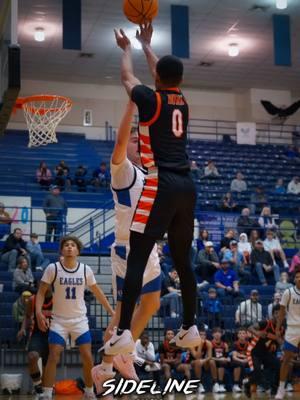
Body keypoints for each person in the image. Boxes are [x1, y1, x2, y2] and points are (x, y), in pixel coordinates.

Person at [103, 23, 200, 355]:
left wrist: (128, 48)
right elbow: (163, 74)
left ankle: (124, 333)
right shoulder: (182, 101)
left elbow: (127, 79)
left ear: (156, 77)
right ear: (179, 80)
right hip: (188, 185)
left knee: (137, 257)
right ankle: (190, 327)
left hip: (161, 182)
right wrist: (148, 45)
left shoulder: (149, 97)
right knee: (183, 260)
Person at [91, 101, 161, 392]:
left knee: (153, 303)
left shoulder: (149, 176)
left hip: (149, 249)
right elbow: (120, 140)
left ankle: (120, 355)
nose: (137, 143)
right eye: (135, 139)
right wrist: (132, 106)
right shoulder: (123, 171)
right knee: (121, 315)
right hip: (127, 250)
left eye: (140, 140)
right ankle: (105, 367)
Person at [36, 236, 114, 400]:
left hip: (79, 320)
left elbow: (98, 293)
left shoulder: (85, 269)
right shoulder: (53, 268)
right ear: (62, 250)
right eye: (66, 245)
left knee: (87, 356)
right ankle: (47, 393)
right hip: (59, 320)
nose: (69, 247)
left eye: (73, 245)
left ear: (78, 250)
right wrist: (38, 313)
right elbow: (41, 292)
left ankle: (89, 390)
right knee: (54, 355)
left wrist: (111, 312)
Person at [17, 287, 53, 396]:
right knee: (32, 356)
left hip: (53, 335)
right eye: (42, 285)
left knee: (48, 367)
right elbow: (27, 316)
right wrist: (23, 329)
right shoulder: (33, 300)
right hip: (38, 334)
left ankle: (46, 393)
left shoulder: (58, 299)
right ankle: (37, 386)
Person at [244, 305, 282, 398]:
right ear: (273, 314)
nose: (278, 315)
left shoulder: (281, 327)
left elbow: (281, 342)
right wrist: (258, 333)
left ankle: (274, 389)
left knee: (279, 366)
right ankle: (247, 384)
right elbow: (250, 328)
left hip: (266, 353)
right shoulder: (265, 323)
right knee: (257, 373)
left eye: (280, 313)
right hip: (254, 352)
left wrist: (279, 339)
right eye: (276, 313)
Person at [275, 267, 300, 400]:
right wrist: (278, 329)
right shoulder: (288, 292)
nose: (299, 278)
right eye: (297, 276)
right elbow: (281, 312)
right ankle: (281, 389)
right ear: (294, 279)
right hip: (292, 329)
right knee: (286, 360)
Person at [210, 327, 230, 393]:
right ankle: (215, 384)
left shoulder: (225, 345)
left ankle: (221, 384)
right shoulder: (210, 344)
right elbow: (209, 357)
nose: (217, 334)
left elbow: (227, 357)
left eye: (219, 332)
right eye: (215, 332)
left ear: (221, 334)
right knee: (211, 361)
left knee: (223, 363)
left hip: (222, 362)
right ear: (212, 334)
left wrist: (227, 359)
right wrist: (219, 359)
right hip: (213, 361)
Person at [231, 328, 249, 393]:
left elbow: (250, 355)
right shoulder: (235, 344)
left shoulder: (248, 344)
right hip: (236, 361)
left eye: (243, 333)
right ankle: (236, 385)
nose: (242, 335)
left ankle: (256, 383)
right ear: (237, 335)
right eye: (240, 333)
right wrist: (242, 360)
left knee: (256, 363)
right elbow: (234, 357)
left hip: (246, 360)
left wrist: (247, 359)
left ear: (246, 335)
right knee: (239, 364)